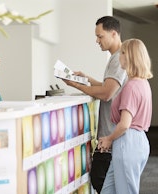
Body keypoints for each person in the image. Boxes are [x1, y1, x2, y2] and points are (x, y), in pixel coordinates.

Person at [62, 16, 127, 193]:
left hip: (111, 135)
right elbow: (108, 87)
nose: (97, 41)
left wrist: (77, 85)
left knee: (101, 182)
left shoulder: (119, 58)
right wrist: (86, 79)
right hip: (110, 133)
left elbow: (107, 93)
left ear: (113, 34)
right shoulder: (115, 57)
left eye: (100, 36)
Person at [98, 38, 153, 194]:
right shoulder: (142, 83)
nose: (118, 56)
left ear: (130, 56)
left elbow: (124, 124)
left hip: (127, 142)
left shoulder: (131, 86)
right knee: (108, 190)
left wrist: (108, 139)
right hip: (137, 141)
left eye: (122, 53)